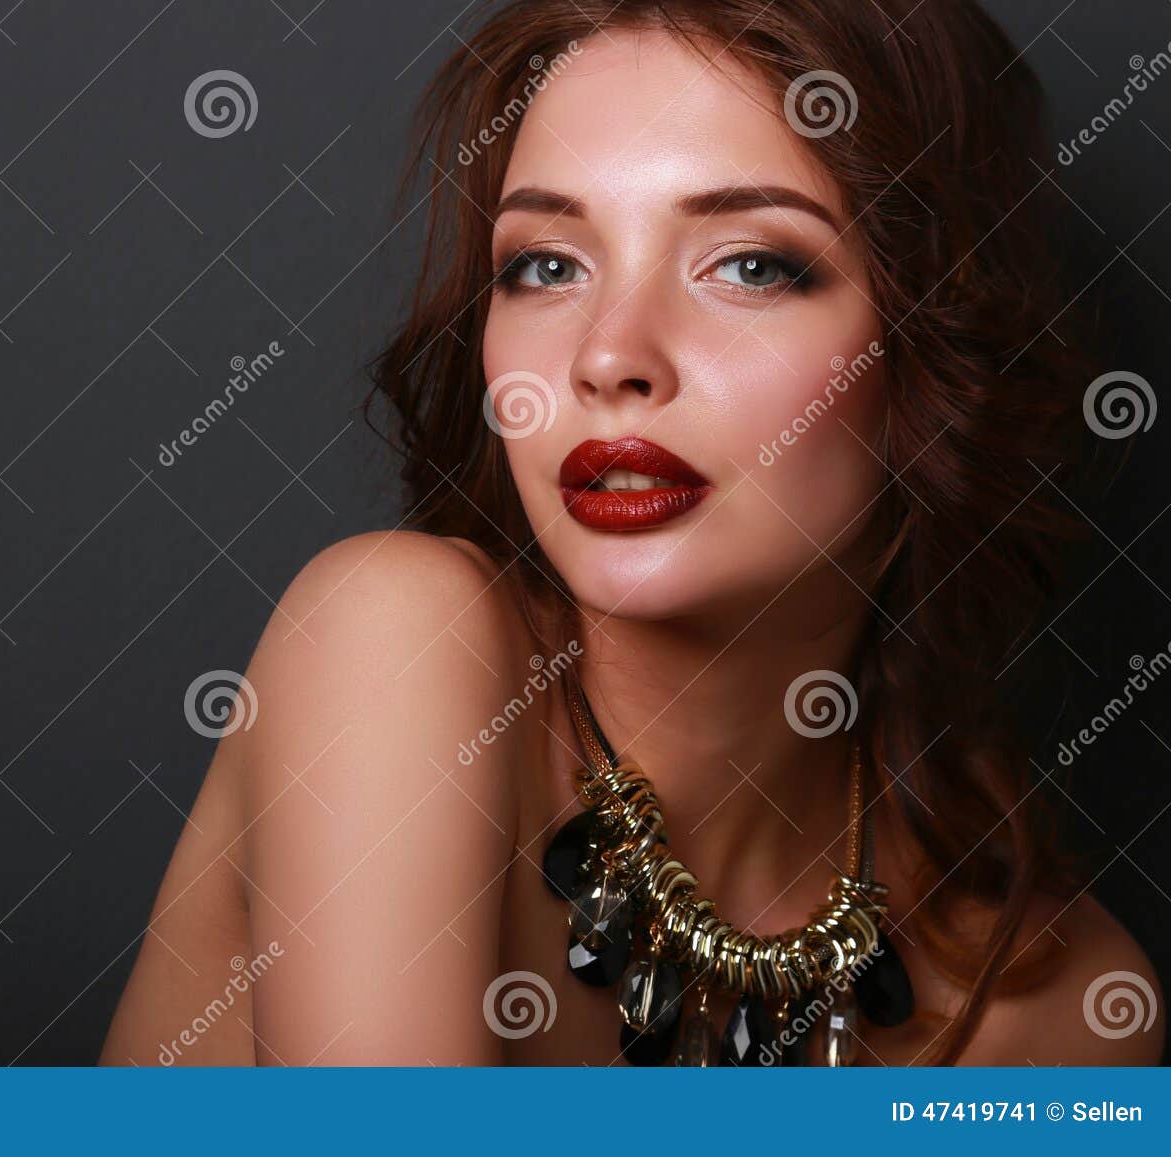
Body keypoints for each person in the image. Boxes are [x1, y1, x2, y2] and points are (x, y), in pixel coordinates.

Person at [102, 0, 1165, 1066]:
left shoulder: (1063, 1010)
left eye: (750, 264)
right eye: (546, 264)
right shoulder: (393, 643)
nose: (609, 354)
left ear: (935, 346)